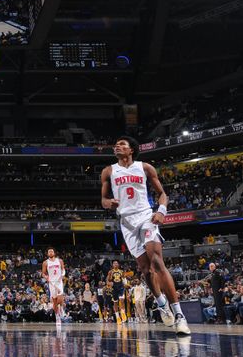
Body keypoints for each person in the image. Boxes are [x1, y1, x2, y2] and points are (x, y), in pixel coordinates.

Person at [101, 136, 191, 336]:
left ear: (131, 149)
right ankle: (161, 303)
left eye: (122, 144)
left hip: (146, 216)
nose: (117, 146)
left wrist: (161, 211)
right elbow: (103, 199)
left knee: (157, 261)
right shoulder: (108, 171)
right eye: (116, 144)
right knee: (144, 269)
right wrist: (108, 204)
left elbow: (162, 194)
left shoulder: (145, 167)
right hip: (126, 222)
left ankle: (179, 315)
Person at [42, 247, 66, 326]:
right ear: (47, 254)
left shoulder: (60, 260)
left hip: (59, 281)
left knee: (60, 297)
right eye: (49, 252)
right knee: (54, 301)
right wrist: (46, 278)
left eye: (52, 251)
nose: (51, 253)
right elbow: (43, 273)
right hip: (52, 283)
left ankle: (61, 309)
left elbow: (63, 270)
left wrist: (62, 275)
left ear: (54, 253)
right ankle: (57, 316)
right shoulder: (45, 262)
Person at [107, 260, 127, 324]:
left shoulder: (121, 271)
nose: (115, 264)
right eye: (114, 263)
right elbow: (108, 280)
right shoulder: (110, 272)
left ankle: (123, 313)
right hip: (114, 288)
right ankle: (118, 317)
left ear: (118, 264)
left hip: (120, 287)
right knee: (115, 303)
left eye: (116, 263)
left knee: (122, 300)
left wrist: (126, 284)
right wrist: (110, 282)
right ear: (112, 265)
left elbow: (124, 279)